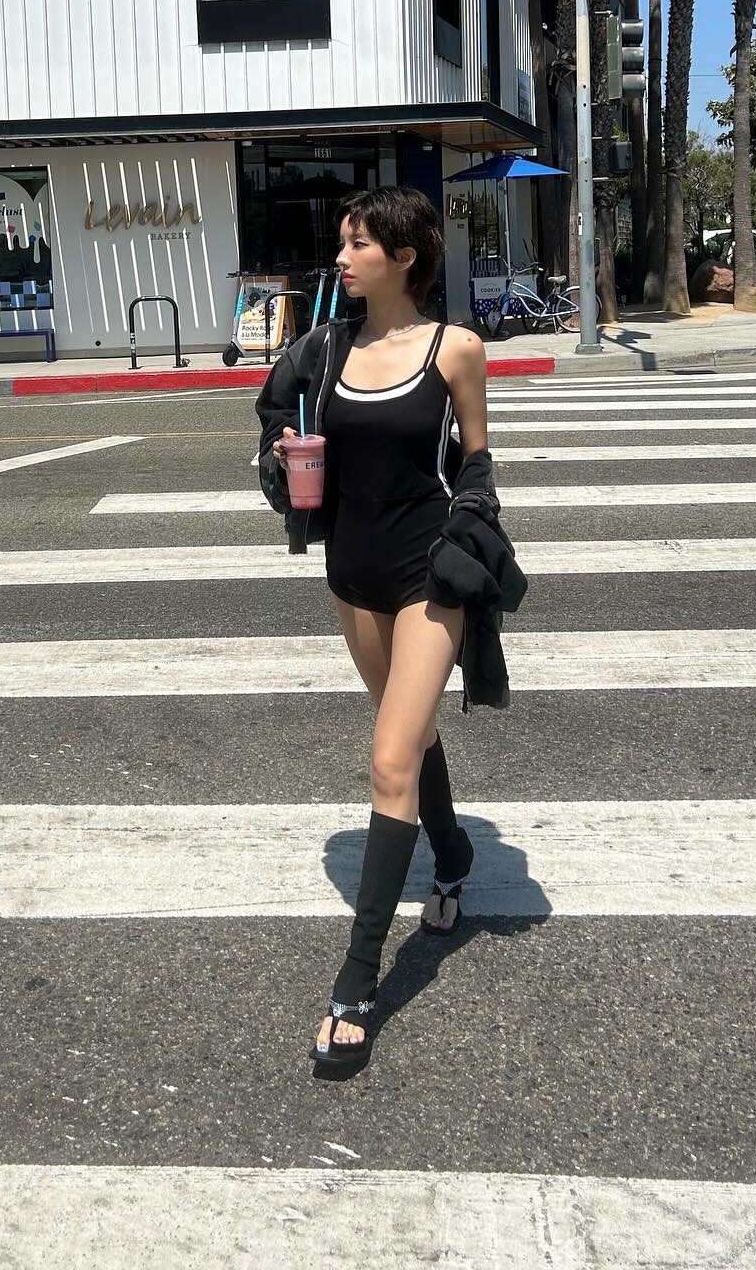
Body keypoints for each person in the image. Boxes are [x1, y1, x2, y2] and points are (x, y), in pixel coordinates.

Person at [254, 186, 503, 1073]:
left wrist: (474, 535)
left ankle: (356, 987)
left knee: (390, 759)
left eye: (358, 243)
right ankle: (453, 853)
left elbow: (476, 463)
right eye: (342, 243)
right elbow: (275, 419)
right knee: (413, 732)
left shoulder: (454, 348)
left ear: (404, 255)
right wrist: (282, 458)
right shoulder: (324, 348)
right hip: (351, 572)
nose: (342, 257)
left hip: (428, 573)